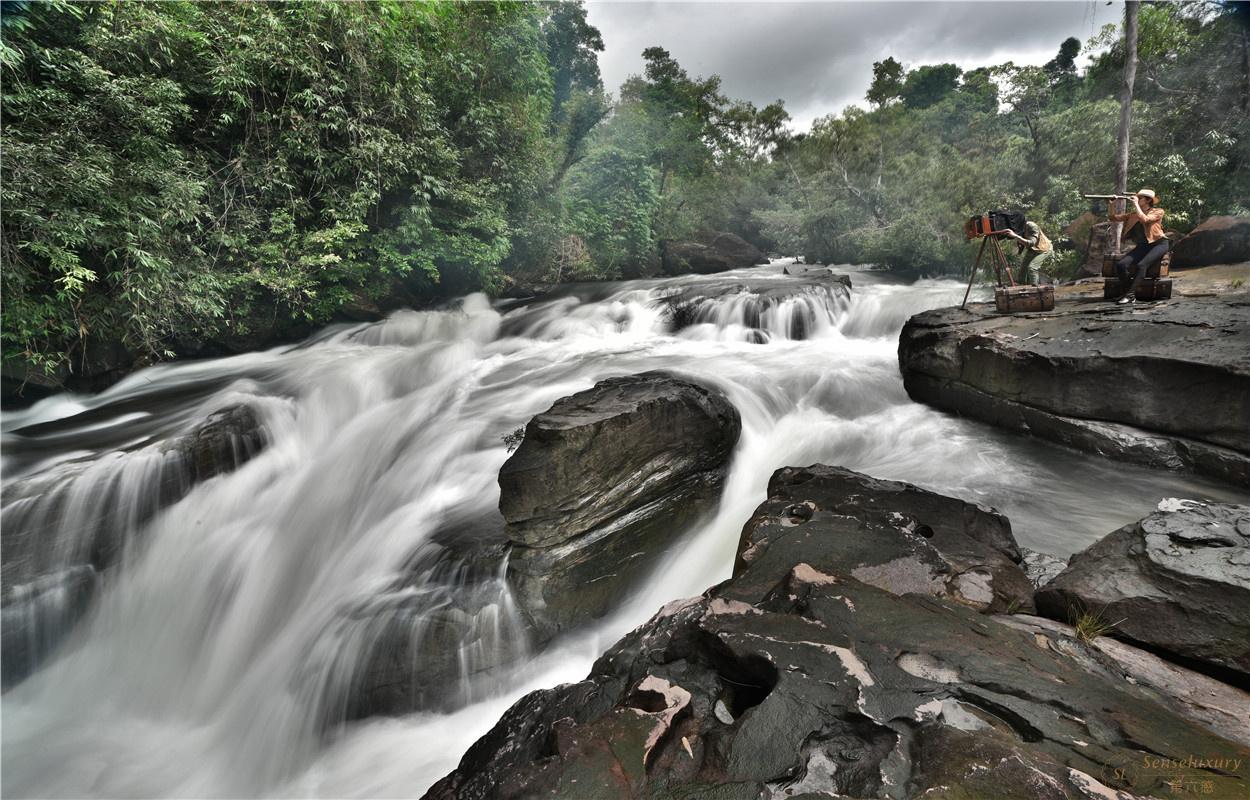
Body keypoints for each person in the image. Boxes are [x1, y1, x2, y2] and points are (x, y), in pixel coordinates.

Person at [1108, 189, 1167, 305]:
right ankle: (1128, 293)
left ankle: (1130, 295)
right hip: (1143, 246)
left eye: (1140, 198)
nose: (1137, 199)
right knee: (1121, 265)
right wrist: (1111, 204)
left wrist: (1135, 203)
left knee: (1142, 265)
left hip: (1159, 244)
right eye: (1137, 198)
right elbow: (1113, 218)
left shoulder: (1158, 211)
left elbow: (1145, 219)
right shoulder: (1133, 214)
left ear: (1148, 200)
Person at [1002, 219, 1052, 285]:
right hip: (1033, 249)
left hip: (1044, 248)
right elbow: (1021, 241)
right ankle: (1021, 283)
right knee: (1023, 268)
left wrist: (1015, 236)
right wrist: (1018, 252)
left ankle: (1035, 287)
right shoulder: (1019, 227)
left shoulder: (1032, 226)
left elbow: (1031, 243)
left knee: (1032, 268)